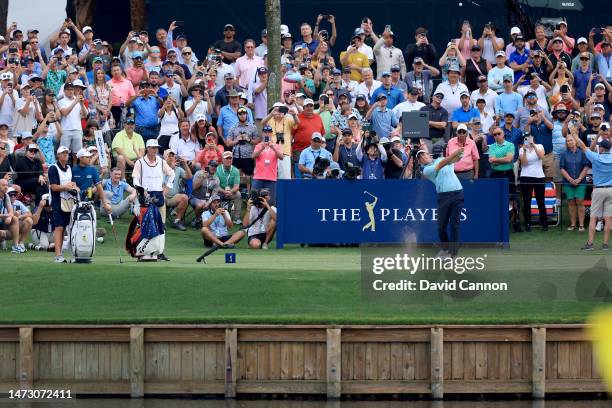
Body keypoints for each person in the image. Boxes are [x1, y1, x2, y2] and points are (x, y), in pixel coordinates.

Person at [417, 147, 464, 258]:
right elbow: (442, 164)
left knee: (454, 225)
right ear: (420, 161)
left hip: (458, 193)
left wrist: (460, 153)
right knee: (441, 226)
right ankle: (445, 248)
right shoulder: (426, 170)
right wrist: (454, 154)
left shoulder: (442, 159)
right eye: (420, 157)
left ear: (429, 154)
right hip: (444, 197)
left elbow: (454, 160)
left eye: (424, 154)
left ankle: (453, 253)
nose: (423, 157)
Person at [132, 139, 175, 261]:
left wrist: (167, 187)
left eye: (156, 148)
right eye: (153, 147)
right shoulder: (140, 163)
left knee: (161, 225)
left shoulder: (161, 162)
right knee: (143, 224)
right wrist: (141, 189)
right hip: (145, 198)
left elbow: (171, 174)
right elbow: (135, 179)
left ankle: (159, 252)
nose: (155, 150)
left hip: (159, 196)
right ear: (147, 148)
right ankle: (141, 251)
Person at [568, 133, 612, 250]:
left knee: (593, 218)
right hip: (611, 190)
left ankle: (590, 244)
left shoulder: (595, 157)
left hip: (598, 190)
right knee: (608, 218)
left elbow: (582, 146)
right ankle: (605, 244)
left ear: (601, 148)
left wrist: (574, 134)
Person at [48, 146, 78, 263]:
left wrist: (75, 188)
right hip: (57, 201)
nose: (66, 154)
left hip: (70, 201)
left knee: (70, 228)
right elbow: (54, 187)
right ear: (58, 155)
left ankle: (73, 255)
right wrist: (66, 186)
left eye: (67, 153)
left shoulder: (70, 168)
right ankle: (58, 255)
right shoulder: (53, 168)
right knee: (59, 228)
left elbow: (73, 184)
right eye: (63, 153)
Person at [560, 134, 590, 232]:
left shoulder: (582, 153)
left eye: (571, 140)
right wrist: (570, 179)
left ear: (576, 141)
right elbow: (562, 168)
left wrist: (579, 179)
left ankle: (581, 224)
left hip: (581, 182)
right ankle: (573, 224)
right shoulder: (564, 154)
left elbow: (586, 167)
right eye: (568, 141)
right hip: (568, 182)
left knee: (580, 201)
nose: (569, 142)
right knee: (571, 202)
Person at [519, 134, 548, 231]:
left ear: (533, 139)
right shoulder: (522, 149)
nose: (528, 140)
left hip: (539, 176)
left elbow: (541, 157)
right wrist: (524, 150)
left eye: (529, 138)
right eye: (526, 139)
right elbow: (524, 163)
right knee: (527, 201)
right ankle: (528, 223)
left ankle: (544, 223)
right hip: (525, 176)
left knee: (540, 200)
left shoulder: (539, 146)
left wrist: (533, 145)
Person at [72, 149, 112, 215]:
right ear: (81, 158)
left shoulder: (92, 169)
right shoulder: (73, 170)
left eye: (90, 157)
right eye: (87, 157)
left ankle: (92, 205)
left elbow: (99, 187)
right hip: (75, 197)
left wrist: (105, 203)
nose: (90, 159)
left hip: (89, 195)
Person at [252, 126, 283, 204]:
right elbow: (253, 156)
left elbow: (281, 157)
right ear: (262, 133)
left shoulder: (276, 146)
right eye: (265, 132)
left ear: (271, 133)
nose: (267, 133)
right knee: (255, 201)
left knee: (271, 202)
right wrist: (262, 147)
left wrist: (272, 147)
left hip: (271, 178)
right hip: (258, 177)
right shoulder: (258, 146)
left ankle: (269, 216)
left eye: (269, 132)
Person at [163, 149, 192, 231]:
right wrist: (170, 168)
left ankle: (177, 221)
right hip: (162, 195)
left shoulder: (178, 169)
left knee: (184, 197)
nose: (171, 158)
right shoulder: (160, 166)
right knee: (161, 197)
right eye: (169, 156)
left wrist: (185, 164)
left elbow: (189, 177)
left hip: (173, 197)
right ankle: (161, 222)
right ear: (165, 157)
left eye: (173, 156)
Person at [58, 81, 88, 156]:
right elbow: (65, 113)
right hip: (65, 130)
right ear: (64, 91)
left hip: (77, 129)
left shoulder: (78, 100)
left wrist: (81, 104)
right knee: (63, 152)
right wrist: (75, 102)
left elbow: (85, 115)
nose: (70, 91)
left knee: (77, 154)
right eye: (68, 89)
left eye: (71, 89)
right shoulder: (61, 101)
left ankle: (75, 167)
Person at [190, 160, 221, 227]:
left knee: (216, 204)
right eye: (212, 165)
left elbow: (214, 195)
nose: (213, 167)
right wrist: (203, 177)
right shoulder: (199, 173)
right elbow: (194, 187)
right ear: (208, 166)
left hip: (207, 199)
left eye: (215, 166)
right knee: (200, 205)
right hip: (195, 197)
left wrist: (208, 203)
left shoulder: (216, 179)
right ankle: (198, 219)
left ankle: (213, 223)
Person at [215, 151, 242, 224]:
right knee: (213, 192)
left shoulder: (235, 170)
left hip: (230, 193)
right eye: (226, 158)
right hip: (219, 192)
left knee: (238, 194)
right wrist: (224, 191)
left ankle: (237, 218)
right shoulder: (217, 169)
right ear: (222, 160)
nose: (228, 160)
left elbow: (237, 186)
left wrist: (230, 191)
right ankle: (214, 215)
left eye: (230, 158)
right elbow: (216, 185)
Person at [6, 186, 33, 251]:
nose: (13, 197)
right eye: (10, 195)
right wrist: (13, 216)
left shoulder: (18, 203)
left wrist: (19, 217)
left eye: (14, 195)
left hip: (15, 226)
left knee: (29, 220)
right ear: (6, 196)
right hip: (5, 227)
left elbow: (29, 214)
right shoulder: (3, 203)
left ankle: (20, 243)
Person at [0, 179, 23, 253]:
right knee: (2, 234)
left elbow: (10, 210)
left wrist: (10, 217)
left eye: (7, 185)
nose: (6, 187)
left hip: (1, 222)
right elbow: (8, 213)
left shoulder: (6, 196)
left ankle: (15, 246)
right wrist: (7, 215)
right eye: (3, 185)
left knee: (15, 218)